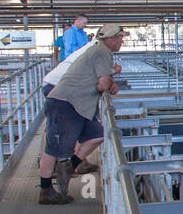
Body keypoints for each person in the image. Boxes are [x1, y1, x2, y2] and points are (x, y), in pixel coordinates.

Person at [38, 25, 127, 204]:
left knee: (98, 135)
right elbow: (103, 85)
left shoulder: (100, 51)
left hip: (78, 105)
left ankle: (71, 165)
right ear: (111, 39)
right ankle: (46, 191)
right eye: (120, 38)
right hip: (66, 102)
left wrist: (109, 82)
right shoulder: (102, 52)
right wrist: (108, 83)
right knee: (53, 149)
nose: (122, 41)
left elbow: (106, 81)